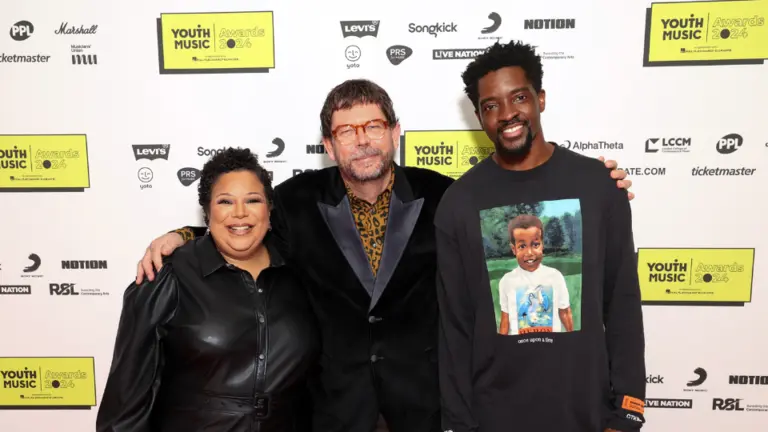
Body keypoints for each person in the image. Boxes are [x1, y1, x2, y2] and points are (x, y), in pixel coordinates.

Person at [133, 79, 635, 432]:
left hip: (425, 408)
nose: (362, 140)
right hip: (334, 410)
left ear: (395, 132)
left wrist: (595, 185)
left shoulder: (447, 196)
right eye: (346, 131)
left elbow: (517, 213)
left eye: (373, 125)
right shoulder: (295, 200)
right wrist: (182, 234)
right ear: (328, 144)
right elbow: (243, 224)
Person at [434, 40, 646, 432]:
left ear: (540, 99)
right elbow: (455, 328)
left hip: (586, 413)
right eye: (491, 106)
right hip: (493, 416)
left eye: (519, 97)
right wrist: (458, 423)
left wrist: (629, 408)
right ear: (479, 117)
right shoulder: (458, 203)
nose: (507, 114)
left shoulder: (598, 185)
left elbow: (622, 304)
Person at [96, 148, 319, 431]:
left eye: (253, 200)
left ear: (269, 208)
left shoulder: (300, 272)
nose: (240, 213)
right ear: (207, 211)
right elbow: (126, 400)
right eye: (225, 201)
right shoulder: (168, 276)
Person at [498, 214, 573, 335]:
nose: (529, 252)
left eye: (535, 245)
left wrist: (573, 340)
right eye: (522, 246)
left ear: (542, 245)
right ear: (514, 249)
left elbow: (565, 313)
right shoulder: (507, 281)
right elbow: (505, 319)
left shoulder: (555, 276)